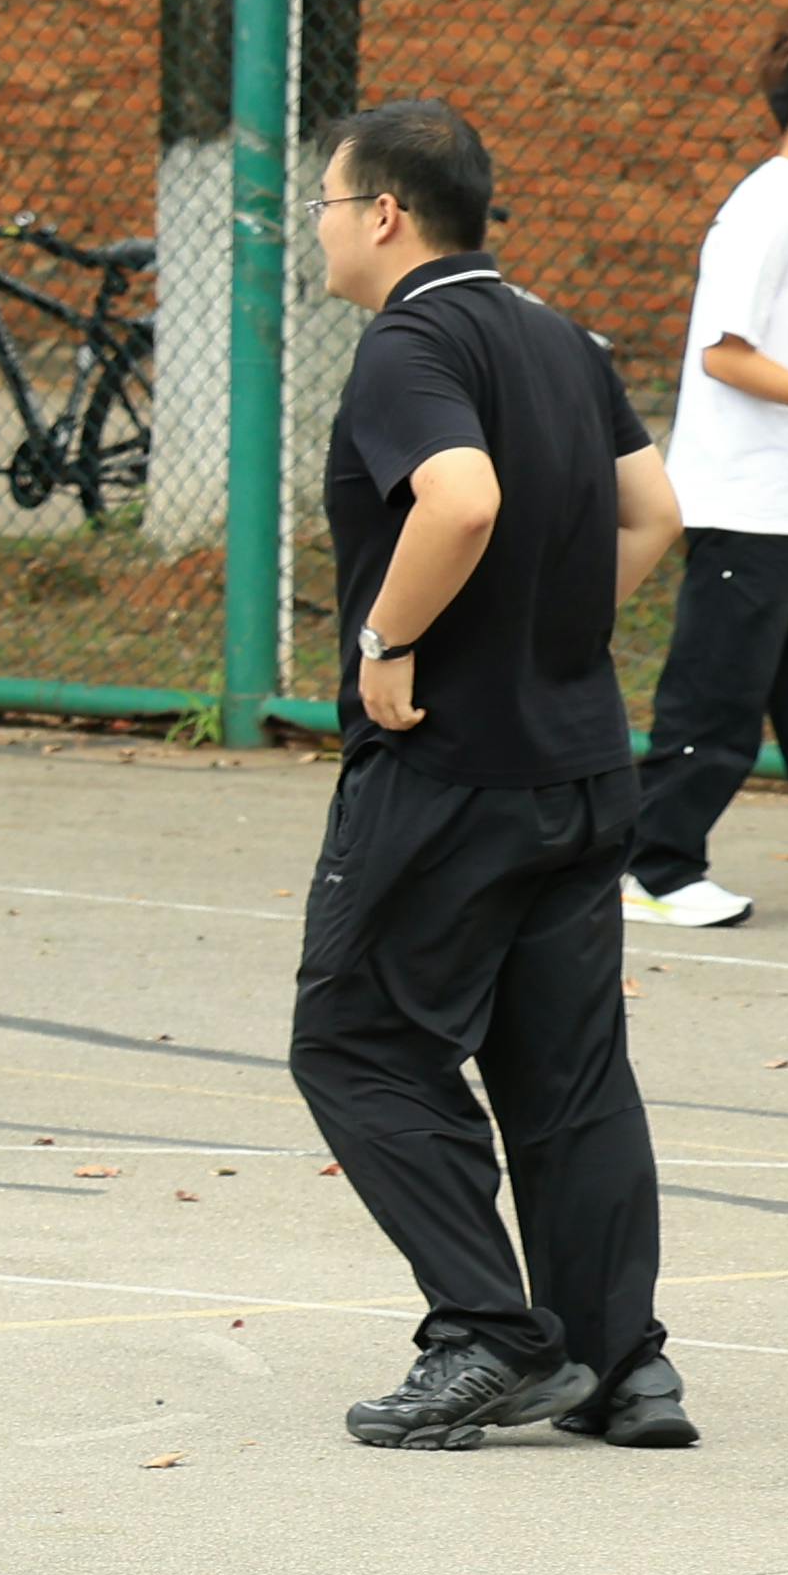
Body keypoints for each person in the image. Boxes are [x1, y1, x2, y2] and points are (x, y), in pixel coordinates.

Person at [295, 101, 691, 1454]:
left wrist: (394, 634)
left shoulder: (413, 340)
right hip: (580, 768)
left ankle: (489, 1334)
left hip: (454, 773)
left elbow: (460, 499)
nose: (322, 227)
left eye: (331, 204)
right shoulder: (558, 336)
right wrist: (556, 635)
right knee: (566, 1073)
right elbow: (657, 512)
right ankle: (621, 1364)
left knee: (355, 1040)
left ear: (386, 215)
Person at [623, 5, 788, 933]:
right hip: (746, 503)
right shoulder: (766, 208)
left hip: (786, 504)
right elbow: (725, 354)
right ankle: (655, 867)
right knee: (716, 700)